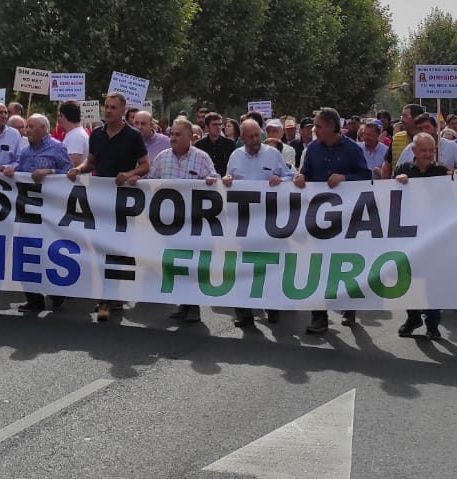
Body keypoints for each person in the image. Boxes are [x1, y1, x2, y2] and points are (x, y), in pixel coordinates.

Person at [67, 91, 150, 322]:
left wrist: (129, 173)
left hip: (124, 202)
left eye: (113, 107)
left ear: (123, 110)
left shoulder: (133, 136)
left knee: (119, 250)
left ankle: (111, 296)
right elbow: (91, 161)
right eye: (106, 106)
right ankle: (106, 295)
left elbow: (145, 165)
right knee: (100, 248)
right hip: (100, 201)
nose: (108, 110)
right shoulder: (96, 134)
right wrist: (79, 169)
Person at [298, 107, 373, 334]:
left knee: (344, 265)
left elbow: (366, 177)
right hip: (318, 220)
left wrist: (345, 178)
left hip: (347, 220)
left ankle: (349, 304)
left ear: (332, 126)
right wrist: (300, 178)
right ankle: (318, 316)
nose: (314, 130)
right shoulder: (312, 150)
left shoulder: (352, 149)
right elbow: (305, 175)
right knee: (317, 266)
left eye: (318, 126)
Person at [0, 113, 73, 314]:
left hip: (50, 213)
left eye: (31, 126)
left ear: (43, 129)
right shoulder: (24, 150)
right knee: (25, 253)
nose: (26, 130)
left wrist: (48, 172)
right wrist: (7, 169)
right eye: (26, 127)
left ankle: (57, 293)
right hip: (27, 211)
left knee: (49, 253)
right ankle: (33, 299)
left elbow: (70, 173)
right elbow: (18, 167)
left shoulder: (57, 147)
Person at [149, 118, 220, 324]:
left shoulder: (201, 158)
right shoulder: (162, 158)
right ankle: (182, 303)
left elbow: (215, 178)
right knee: (174, 263)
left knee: (192, 264)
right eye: (171, 134)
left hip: (193, 223)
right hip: (169, 224)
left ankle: (194, 305)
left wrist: (212, 181)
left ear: (190, 137)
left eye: (178, 135)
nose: (172, 138)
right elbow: (150, 183)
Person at [223, 118, 292, 327]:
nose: (255, 139)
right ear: (242, 138)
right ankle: (244, 313)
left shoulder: (273, 154)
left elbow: (290, 176)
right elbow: (228, 180)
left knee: (270, 266)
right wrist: (226, 180)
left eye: (257, 135)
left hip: (269, 222)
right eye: (251, 136)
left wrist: (281, 180)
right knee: (244, 268)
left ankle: (273, 308)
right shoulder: (235, 157)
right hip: (244, 224)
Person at [392, 134, 451, 338]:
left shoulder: (442, 172)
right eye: (423, 150)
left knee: (432, 279)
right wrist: (397, 182)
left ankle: (433, 324)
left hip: (434, 234)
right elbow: (391, 197)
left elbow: (453, 197)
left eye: (431, 150)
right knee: (410, 278)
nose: (427, 154)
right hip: (408, 234)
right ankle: (413, 317)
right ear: (414, 151)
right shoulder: (403, 170)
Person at [194, 111, 236, 176]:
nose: (218, 127)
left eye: (220, 124)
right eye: (214, 125)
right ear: (207, 127)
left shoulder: (230, 144)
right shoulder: (199, 145)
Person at [56, 100, 90, 168]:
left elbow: (71, 163)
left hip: (79, 178)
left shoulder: (76, 136)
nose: (58, 119)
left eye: (59, 116)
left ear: (63, 116)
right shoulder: (75, 134)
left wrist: (51, 170)